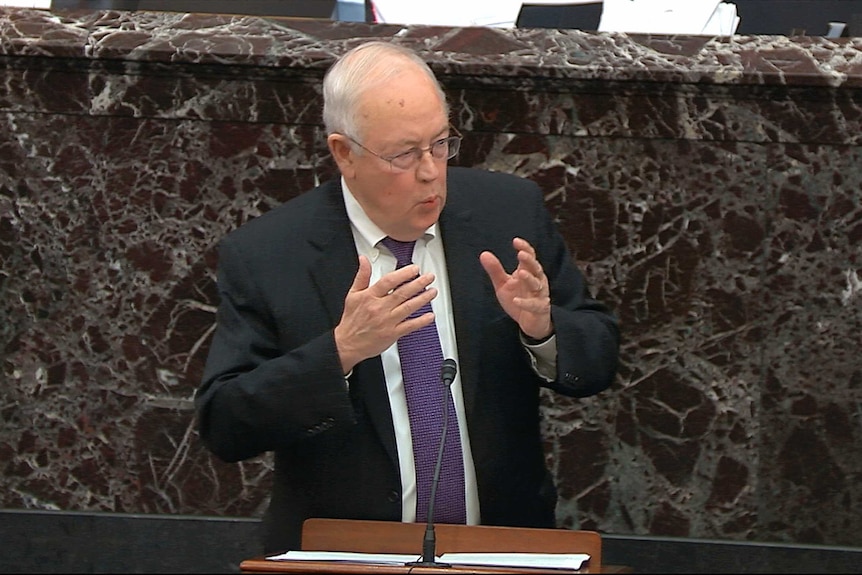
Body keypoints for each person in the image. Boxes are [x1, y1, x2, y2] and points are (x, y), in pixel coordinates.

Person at [194, 40, 620, 554]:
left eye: (440, 144)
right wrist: (340, 352)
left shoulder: (508, 215)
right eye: (404, 154)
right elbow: (225, 425)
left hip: (499, 550)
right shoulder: (268, 254)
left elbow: (597, 362)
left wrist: (544, 329)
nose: (430, 171)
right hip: (346, 556)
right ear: (344, 153)